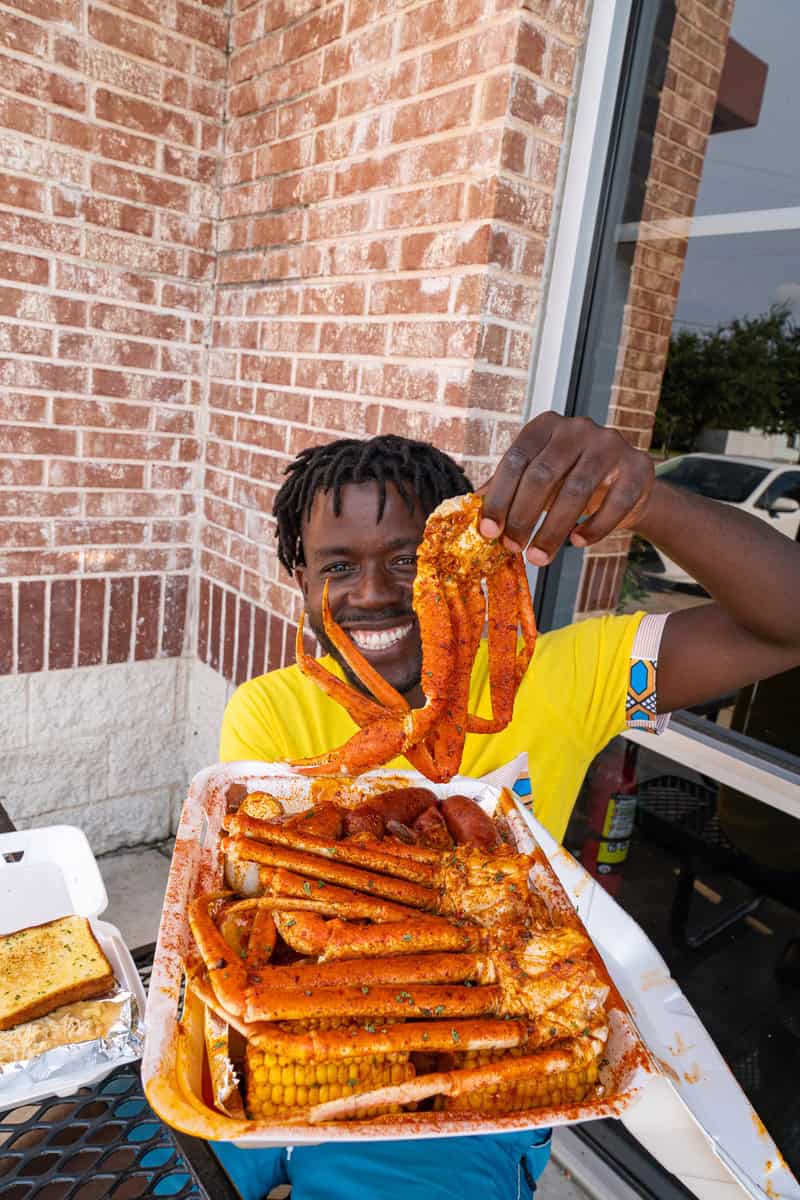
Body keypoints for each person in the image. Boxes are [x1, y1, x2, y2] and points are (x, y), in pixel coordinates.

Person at [213, 414, 800, 1200]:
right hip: (312, 1014)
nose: (377, 590)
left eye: (411, 558)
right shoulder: (269, 713)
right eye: (338, 565)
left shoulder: (562, 672)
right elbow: (253, 901)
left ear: (474, 565)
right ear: (300, 580)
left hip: (491, 1048)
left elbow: (784, 625)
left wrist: (650, 504)